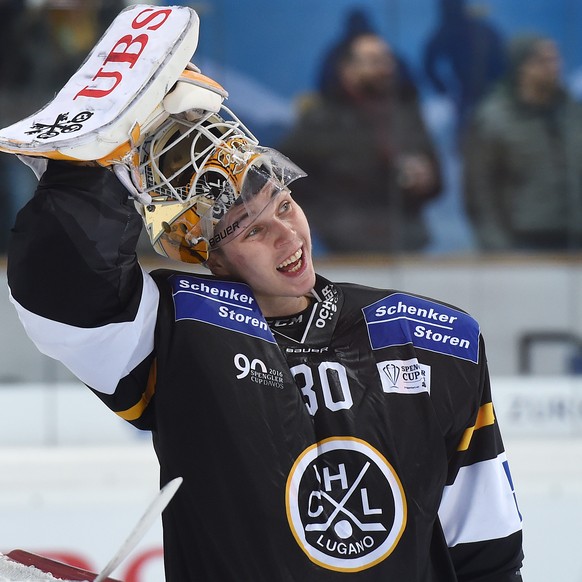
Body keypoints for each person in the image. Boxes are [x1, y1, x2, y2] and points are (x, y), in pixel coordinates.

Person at [3, 5, 523, 581]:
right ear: (210, 256)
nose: (287, 233)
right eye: (251, 231)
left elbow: (486, 550)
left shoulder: (435, 340)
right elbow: (66, 297)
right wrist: (94, 166)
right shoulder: (177, 335)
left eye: (284, 204)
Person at [279, 31, 442, 255]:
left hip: (408, 240)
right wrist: (324, 218)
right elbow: (283, 173)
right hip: (347, 247)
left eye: (387, 59)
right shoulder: (322, 118)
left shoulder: (405, 112)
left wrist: (426, 179)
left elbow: (436, 176)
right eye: (374, 61)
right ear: (347, 70)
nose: (385, 68)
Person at [464, 33, 582, 252]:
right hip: (524, 245)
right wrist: (498, 249)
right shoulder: (494, 119)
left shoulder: (573, 112)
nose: (555, 66)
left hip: (575, 239)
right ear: (522, 67)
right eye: (544, 60)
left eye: (556, 59)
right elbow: (480, 193)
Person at [423, 0, 507, 135]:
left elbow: (428, 63)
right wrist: (443, 88)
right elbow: (429, 63)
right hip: (468, 96)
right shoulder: (448, 31)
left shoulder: (481, 31)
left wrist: (443, 88)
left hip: (491, 94)